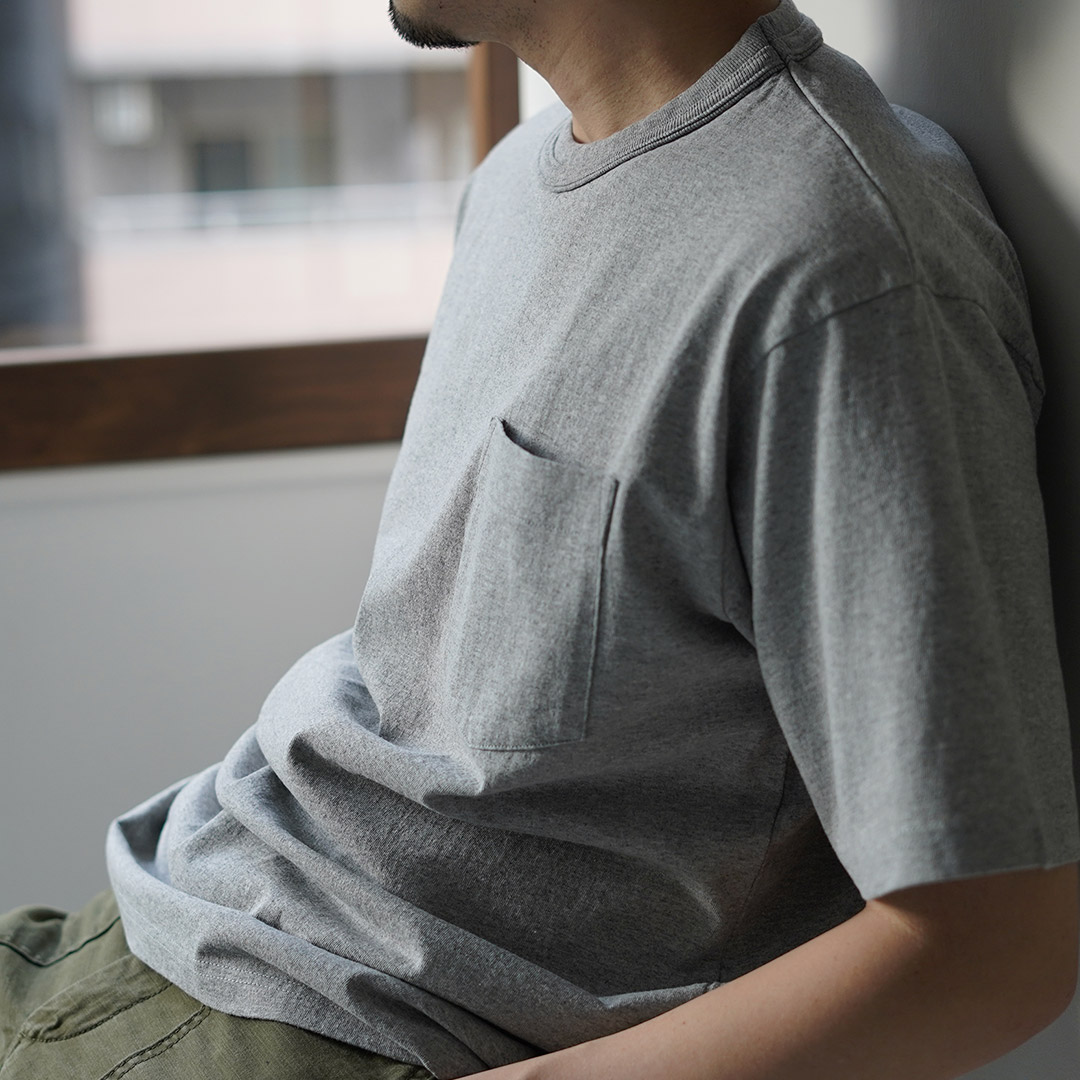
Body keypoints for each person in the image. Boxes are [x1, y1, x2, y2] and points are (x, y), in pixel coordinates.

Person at [3, 0, 1079, 1077]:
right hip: (192, 897)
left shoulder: (840, 271)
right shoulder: (519, 179)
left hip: (348, 1024)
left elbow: (994, 945)